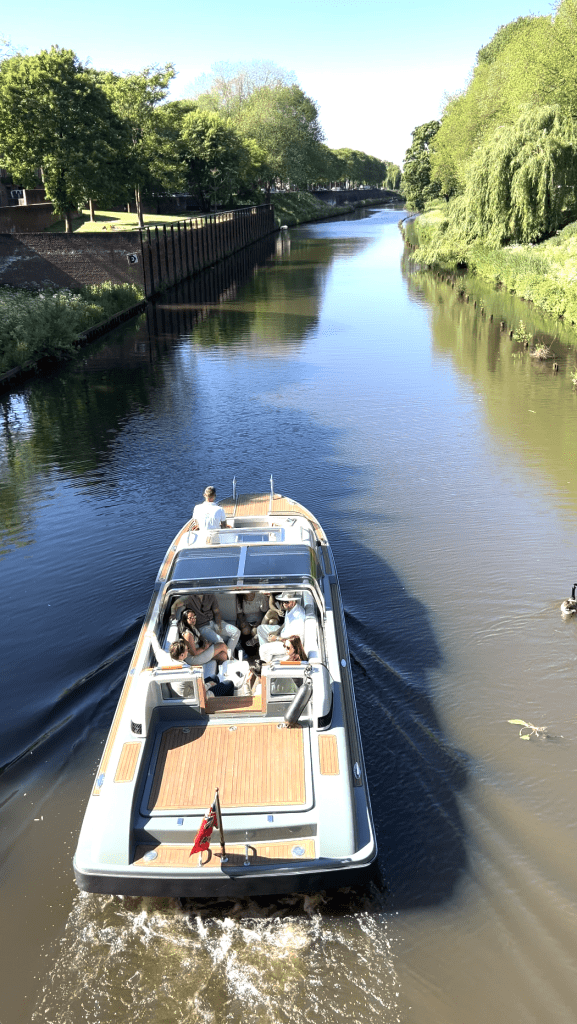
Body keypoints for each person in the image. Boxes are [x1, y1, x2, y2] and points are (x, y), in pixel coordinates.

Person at [186, 592, 240, 659]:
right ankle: (231, 659)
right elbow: (176, 604)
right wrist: (173, 612)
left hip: (213, 622)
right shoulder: (189, 597)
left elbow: (216, 612)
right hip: (202, 627)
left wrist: (218, 625)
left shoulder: (210, 594)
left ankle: (229, 655)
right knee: (219, 641)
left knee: (236, 632)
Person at [146, 632, 201, 698]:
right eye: (186, 650)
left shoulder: (164, 658)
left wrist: (153, 637)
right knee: (214, 681)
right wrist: (209, 684)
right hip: (188, 697)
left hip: (175, 693)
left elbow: (157, 650)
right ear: (182, 655)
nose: (188, 651)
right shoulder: (186, 670)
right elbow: (198, 687)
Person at [257, 592, 306, 662]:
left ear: (293, 601)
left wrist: (277, 638)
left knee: (263, 649)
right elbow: (285, 623)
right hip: (283, 635)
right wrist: (277, 631)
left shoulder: (298, 616)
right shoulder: (290, 609)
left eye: (286, 602)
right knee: (260, 629)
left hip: (289, 644)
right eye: (282, 601)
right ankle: (268, 656)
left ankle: (267, 665)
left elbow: (294, 639)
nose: (284, 604)